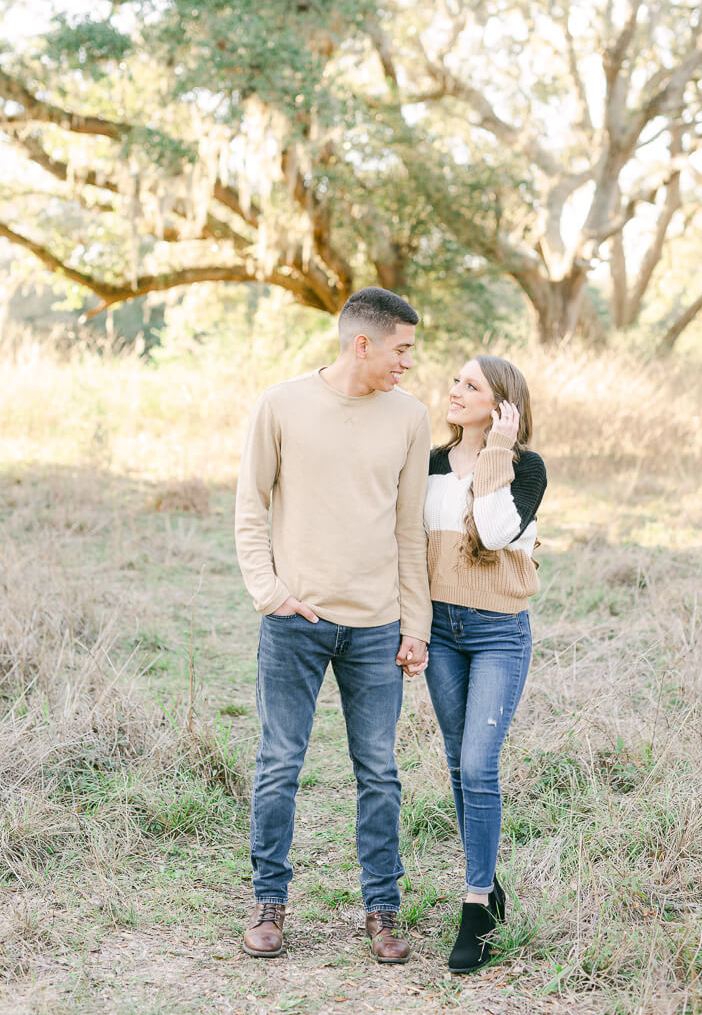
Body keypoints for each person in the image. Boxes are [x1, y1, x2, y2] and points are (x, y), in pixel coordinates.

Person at [235, 287, 432, 964]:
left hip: (378, 626)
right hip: (295, 622)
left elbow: (411, 528)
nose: (409, 362)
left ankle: (382, 911)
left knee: (378, 771)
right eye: (402, 349)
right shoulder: (281, 404)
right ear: (363, 344)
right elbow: (250, 505)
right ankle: (269, 905)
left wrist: (417, 624)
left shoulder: (410, 416)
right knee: (279, 764)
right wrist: (270, 593)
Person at [423, 354, 546, 972]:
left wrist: (497, 449)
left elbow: (495, 533)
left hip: (499, 632)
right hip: (440, 631)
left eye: (471, 385)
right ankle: (488, 885)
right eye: (455, 380)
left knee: (478, 762)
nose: (454, 390)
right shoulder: (430, 464)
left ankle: (475, 903)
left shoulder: (527, 469)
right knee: (457, 762)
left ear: (502, 403)